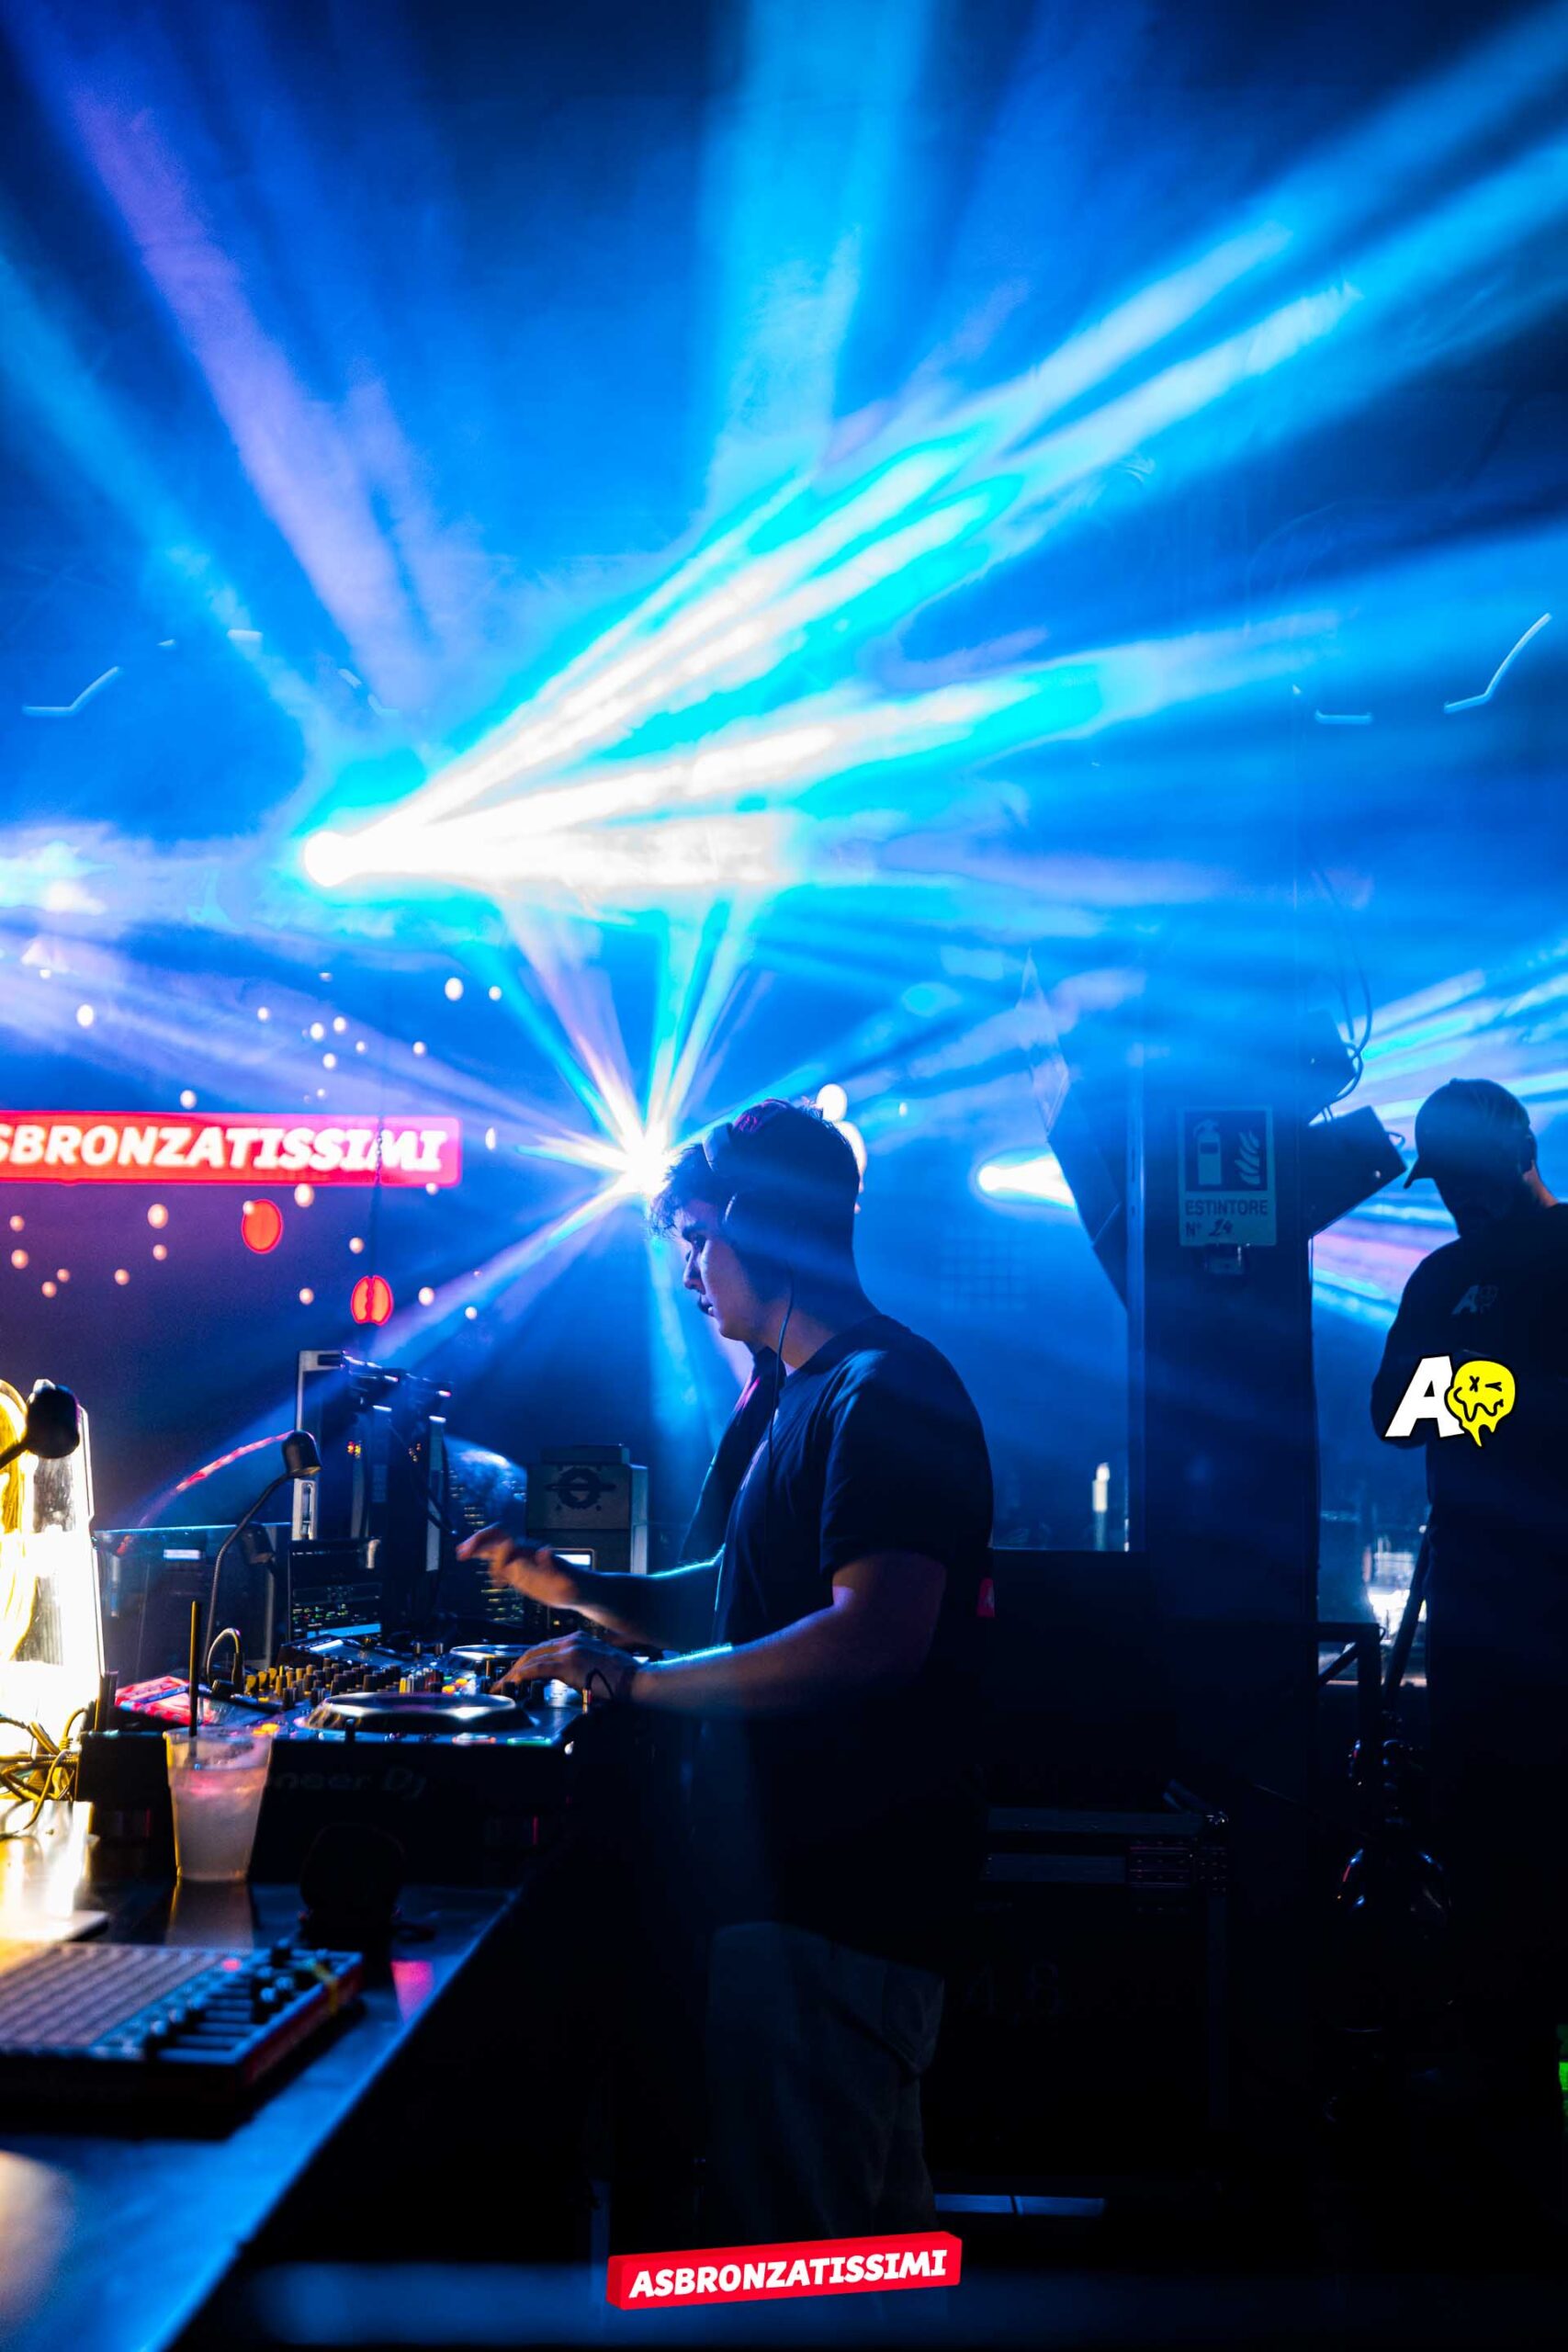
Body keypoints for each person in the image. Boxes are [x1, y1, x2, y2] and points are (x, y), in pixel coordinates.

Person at [459, 1099, 993, 2239]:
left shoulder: (886, 1390)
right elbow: (737, 1601)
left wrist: (634, 1682)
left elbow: (872, 1635)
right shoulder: (803, 1396)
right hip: (799, 1906)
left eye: (701, 1237)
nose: (690, 1272)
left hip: (842, 1903)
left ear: (763, 1224)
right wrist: (573, 1587)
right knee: (861, 2252)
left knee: (797, 2255)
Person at [1371, 1078, 1568, 2199]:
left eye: (1463, 1174)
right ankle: (1509, 2107)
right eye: (1441, 1180)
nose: (1452, 1197)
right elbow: (1392, 1410)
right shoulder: (1442, 1276)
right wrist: (1520, 1394)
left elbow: (1427, 1400)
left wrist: (1478, 1389)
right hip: (1484, 1628)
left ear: (1518, 1153)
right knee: (1489, 1863)